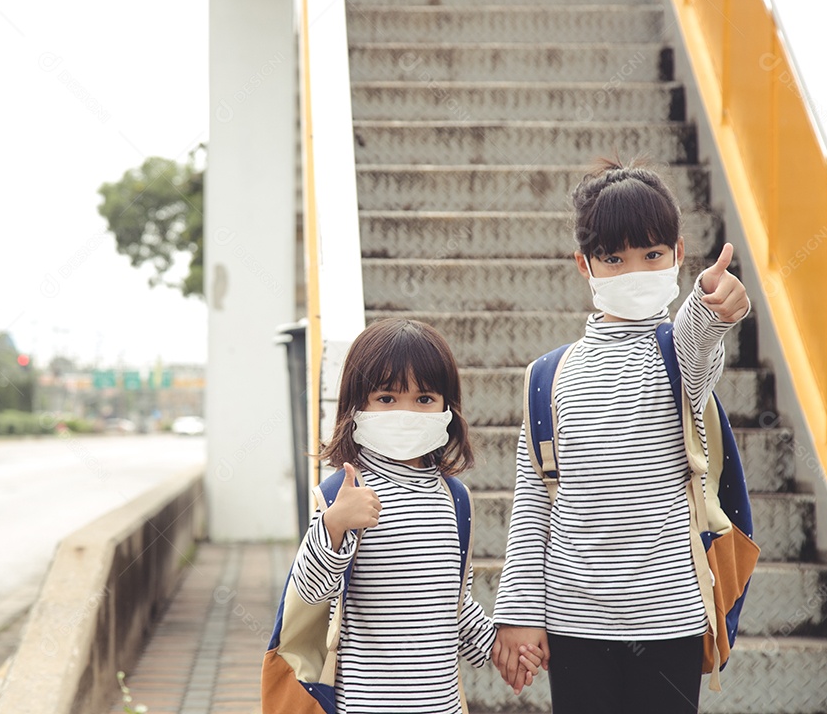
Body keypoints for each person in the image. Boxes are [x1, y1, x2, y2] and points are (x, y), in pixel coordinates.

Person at [491, 159, 751, 713]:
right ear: (584, 265)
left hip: (670, 621)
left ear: (679, 255)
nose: (635, 270)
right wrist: (517, 614)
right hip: (572, 623)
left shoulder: (678, 356)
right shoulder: (547, 377)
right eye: (614, 259)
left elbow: (699, 340)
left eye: (652, 255)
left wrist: (713, 306)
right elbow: (534, 501)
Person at [289, 317, 525, 714]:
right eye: (386, 398)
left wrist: (498, 648)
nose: (406, 412)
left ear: (447, 409)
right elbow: (312, 593)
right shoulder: (345, 494)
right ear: (356, 406)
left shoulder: (455, 499)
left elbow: (454, 603)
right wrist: (333, 524)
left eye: (424, 399)